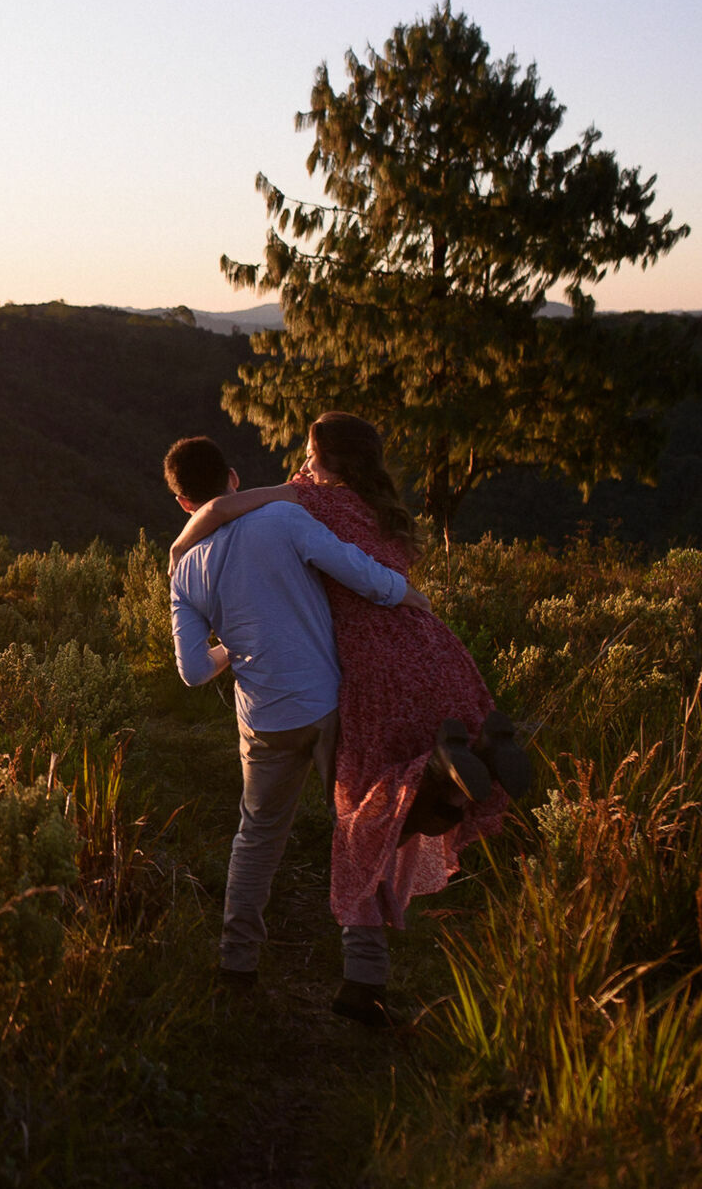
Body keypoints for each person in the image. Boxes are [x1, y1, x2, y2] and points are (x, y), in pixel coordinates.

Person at [170, 412, 528, 1027]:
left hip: (264, 719)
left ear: (181, 500)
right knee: (360, 821)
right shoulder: (285, 518)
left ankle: (236, 963)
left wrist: (233, 646)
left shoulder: (183, 570)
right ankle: (364, 977)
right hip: (330, 701)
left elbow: (193, 673)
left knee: (256, 837)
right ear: (233, 477)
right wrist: (401, 592)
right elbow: (351, 568)